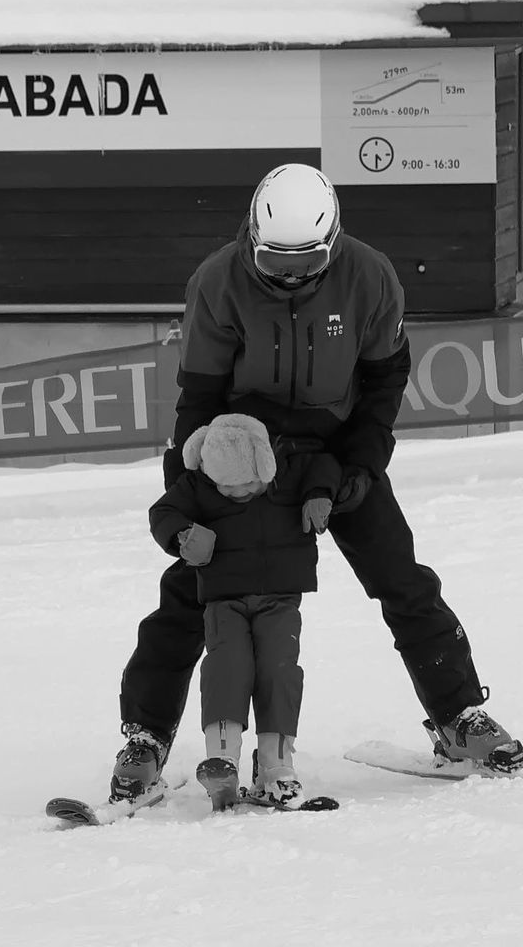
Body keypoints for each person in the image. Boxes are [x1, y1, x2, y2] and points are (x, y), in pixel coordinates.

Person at [111, 163, 522, 802]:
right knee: (191, 594)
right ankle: (145, 738)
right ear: (253, 237)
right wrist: (191, 480)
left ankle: (459, 716)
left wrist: (362, 464)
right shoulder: (218, 282)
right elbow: (201, 393)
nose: (293, 276)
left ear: (333, 241)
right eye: (276, 262)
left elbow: (384, 379)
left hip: (335, 448)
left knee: (403, 579)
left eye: (308, 262)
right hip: (249, 457)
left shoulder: (370, 276)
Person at [145, 413, 340, 811]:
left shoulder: (290, 468)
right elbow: (163, 512)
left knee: (279, 671)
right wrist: (181, 534)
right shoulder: (199, 484)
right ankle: (222, 760)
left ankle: (276, 767)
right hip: (224, 600)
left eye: (248, 485)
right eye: (227, 488)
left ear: (265, 465)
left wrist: (320, 493)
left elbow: (327, 465)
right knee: (227, 667)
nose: (238, 493)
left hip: (281, 598)